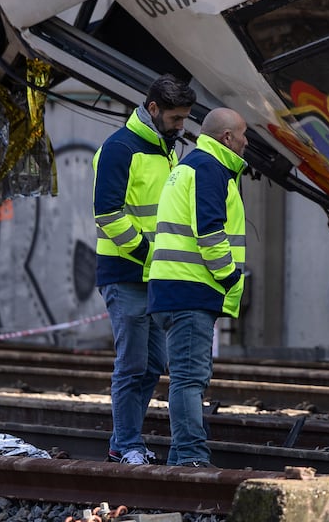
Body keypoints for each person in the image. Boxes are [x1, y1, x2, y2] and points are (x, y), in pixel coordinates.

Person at [92, 74, 196, 465]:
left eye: (184, 118)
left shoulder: (163, 146)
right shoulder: (120, 149)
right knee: (132, 363)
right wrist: (151, 255)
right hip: (126, 273)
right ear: (153, 110)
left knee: (151, 362)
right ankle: (128, 444)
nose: (181, 125)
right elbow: (108, 216)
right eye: (176, 118)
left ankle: (124, 441)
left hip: (153, 276)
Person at [148, 107, 248, 467]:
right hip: (190, 291)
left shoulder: (188, 167)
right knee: (189, 380)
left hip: (173, 289)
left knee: (185, 379)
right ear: (227, 138)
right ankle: (190, 456)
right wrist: (232, 277)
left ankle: (180, 456)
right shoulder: (209, 169)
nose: (246, 142)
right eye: (243, 134)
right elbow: (210, 235)